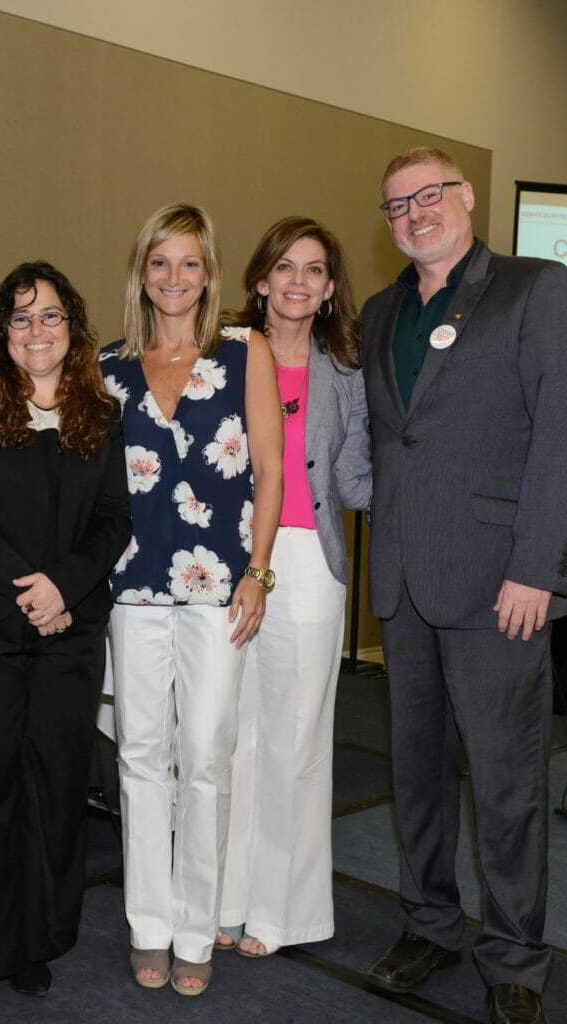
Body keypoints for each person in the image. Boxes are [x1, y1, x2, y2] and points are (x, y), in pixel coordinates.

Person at [361, 147, 567, 1024]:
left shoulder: (536, 288)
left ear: (467, 197)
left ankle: (516, 953)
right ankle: (430, 923)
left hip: (498, 588)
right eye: (397, 204)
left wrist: (539, 570)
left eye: (430, 194)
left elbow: (559, 436)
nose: (415, 213)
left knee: (508, 783)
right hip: (404, 581)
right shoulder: (379, 311)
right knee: (416, 775)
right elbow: (386, 442)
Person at [0, 261, 130, 1009]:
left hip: (71, 630)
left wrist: (64, 588)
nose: (37, 331)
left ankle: (34, 939)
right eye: (21, 318)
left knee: (53, 786)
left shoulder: (100, 413)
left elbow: (115, 519)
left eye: (51, 316)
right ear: (0, 332)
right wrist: (30, 589)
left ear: (72, 329)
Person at [100, 203, 283, 996]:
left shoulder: (247, 351)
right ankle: (148, 922)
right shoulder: (105, 366)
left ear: (209, 272)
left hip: (220, 593)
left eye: (189, 263)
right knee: (140, 755)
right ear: (142, 272)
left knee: (206, 755)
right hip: (132, 587)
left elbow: (272, 472)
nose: (174, 278)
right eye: (159, 263)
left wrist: (259, 572)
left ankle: (194, 925)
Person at [216, 217, 371, 957]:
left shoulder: (347, 371)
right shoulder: (221, 354)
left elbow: (356, 477)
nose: (299, 281)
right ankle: (224, 896)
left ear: (331, 288)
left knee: (295, 742)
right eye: (285, 267)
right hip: (223, 559)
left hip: (308, 566)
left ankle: (282, 910)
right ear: (259, 279)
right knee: (230, 735)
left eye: (315, 270)